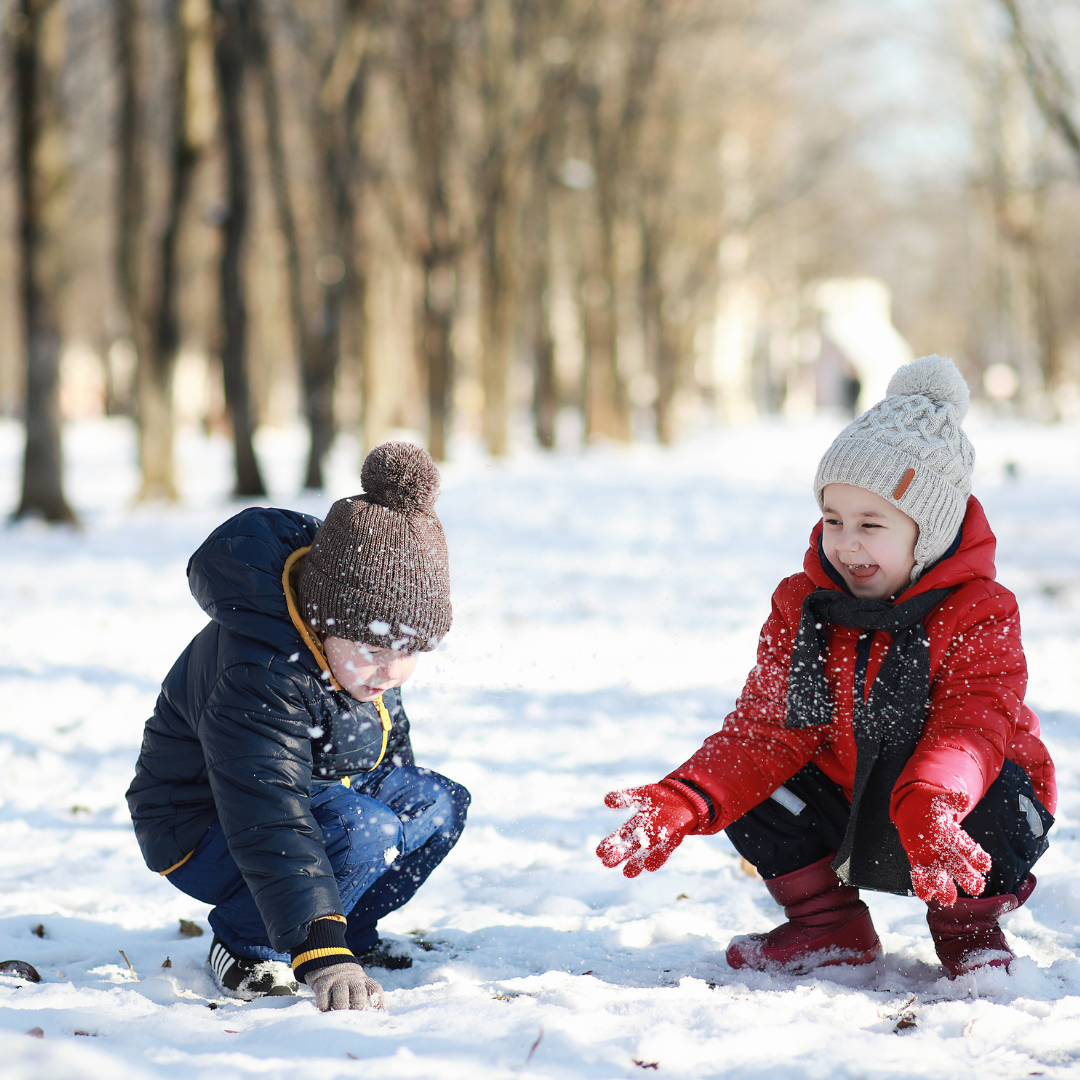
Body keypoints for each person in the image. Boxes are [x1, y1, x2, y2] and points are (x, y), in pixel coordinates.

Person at [597, 356, 1056, 978]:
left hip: (950, 805)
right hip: (848, 790)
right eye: (833, 519)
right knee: (754, 783)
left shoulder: (981, 612)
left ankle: (967, 929)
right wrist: (688, 797)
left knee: (997, 784)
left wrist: (931, 802)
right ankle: (828, 928)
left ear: (933, 531)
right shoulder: (805, 607)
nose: (846, 543)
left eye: (872, 524)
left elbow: (973, 726)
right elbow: (766, 727)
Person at [127, 442, 470, 1010]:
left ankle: (350, 931)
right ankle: (248, 944)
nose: (392, 670)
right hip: (206, 827)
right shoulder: (260, 670)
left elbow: (387, 756)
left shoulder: (361, 657)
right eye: (375, 648)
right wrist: (319, 949)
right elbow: (269, 813)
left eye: (411, 649)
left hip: (312, 804)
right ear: (324, 618)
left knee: (434, 802)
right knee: (369, 829)